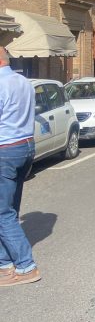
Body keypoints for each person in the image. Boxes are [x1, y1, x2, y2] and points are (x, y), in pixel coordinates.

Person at [0, 46, 40, 286]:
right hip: (25, 146)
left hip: (5, 150)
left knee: (3, 213)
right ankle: (5, 264)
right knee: (9, 210)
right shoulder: (24, 81)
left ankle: (26, 267)